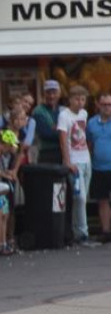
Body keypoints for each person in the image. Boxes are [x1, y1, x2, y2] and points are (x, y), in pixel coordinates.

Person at [58, 85, 92, 243]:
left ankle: (75, 230)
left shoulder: (84, 114)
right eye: (77, 99)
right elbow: (63, 139)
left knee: (81, 197)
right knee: (80, 197)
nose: (80, 103)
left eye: (83, 99)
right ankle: (82, 233)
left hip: (85, 158)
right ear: (70, 99)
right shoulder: (64, 115)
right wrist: (67, 160)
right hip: (74, 161)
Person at [87, 92, 111, 242]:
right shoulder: (91, 123)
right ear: (98, 105)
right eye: (105, 104)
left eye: (110, 105)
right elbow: (89, 144)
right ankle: (106, 231)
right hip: (98, 167)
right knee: (102, 200)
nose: (108, 107)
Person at [33, 80, 64, 164]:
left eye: (54, 93)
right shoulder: (38, 111)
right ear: (44, 94)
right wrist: (62, 131)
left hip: (64, 152)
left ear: (59, 94)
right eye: (48, 93)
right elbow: (45, 133)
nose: (51, 96)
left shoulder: (64, 110)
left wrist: (56, 128)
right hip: (46, 153)